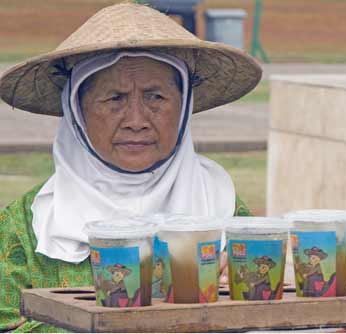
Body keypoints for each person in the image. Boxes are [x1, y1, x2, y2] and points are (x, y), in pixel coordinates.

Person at [0, 3, 261, 331]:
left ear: (183, 108)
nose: (136, 121)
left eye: (156, 97)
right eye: (114, 98)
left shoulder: (224, 210)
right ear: (77, 111)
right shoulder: (26, 229)